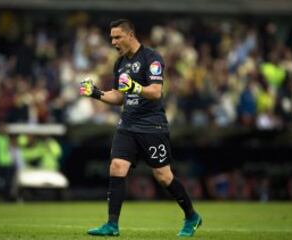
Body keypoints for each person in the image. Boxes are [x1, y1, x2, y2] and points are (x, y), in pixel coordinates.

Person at [80, 19, 202, 237]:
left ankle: (191, 216)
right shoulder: (120, 63)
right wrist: (96, 93)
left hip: (152, 125)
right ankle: (112, 225)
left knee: (163, 176)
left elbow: (156, 92)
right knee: (117, 166)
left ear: (130, 35)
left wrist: (135, 87)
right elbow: (119, 96)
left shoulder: (151, 58)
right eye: (111, 38)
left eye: (117, 37)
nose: (113, 42)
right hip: (127, 124)